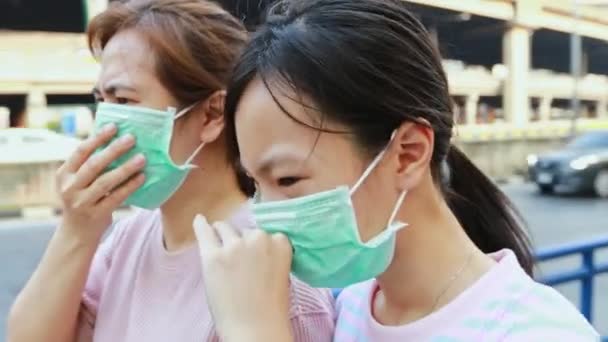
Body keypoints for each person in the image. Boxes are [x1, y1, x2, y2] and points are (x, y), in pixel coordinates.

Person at [193, 0, 601, 341]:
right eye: (254, 185)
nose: (267, 222)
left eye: (287, 179)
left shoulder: (537, 332)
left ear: (407, 153)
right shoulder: (348, 306)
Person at [7, 1, 334, 342]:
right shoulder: (127, 238)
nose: (106, 122)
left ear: (211, 114)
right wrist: (76, 232)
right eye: (100, 100)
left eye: (123, 101)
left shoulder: (268, 270)